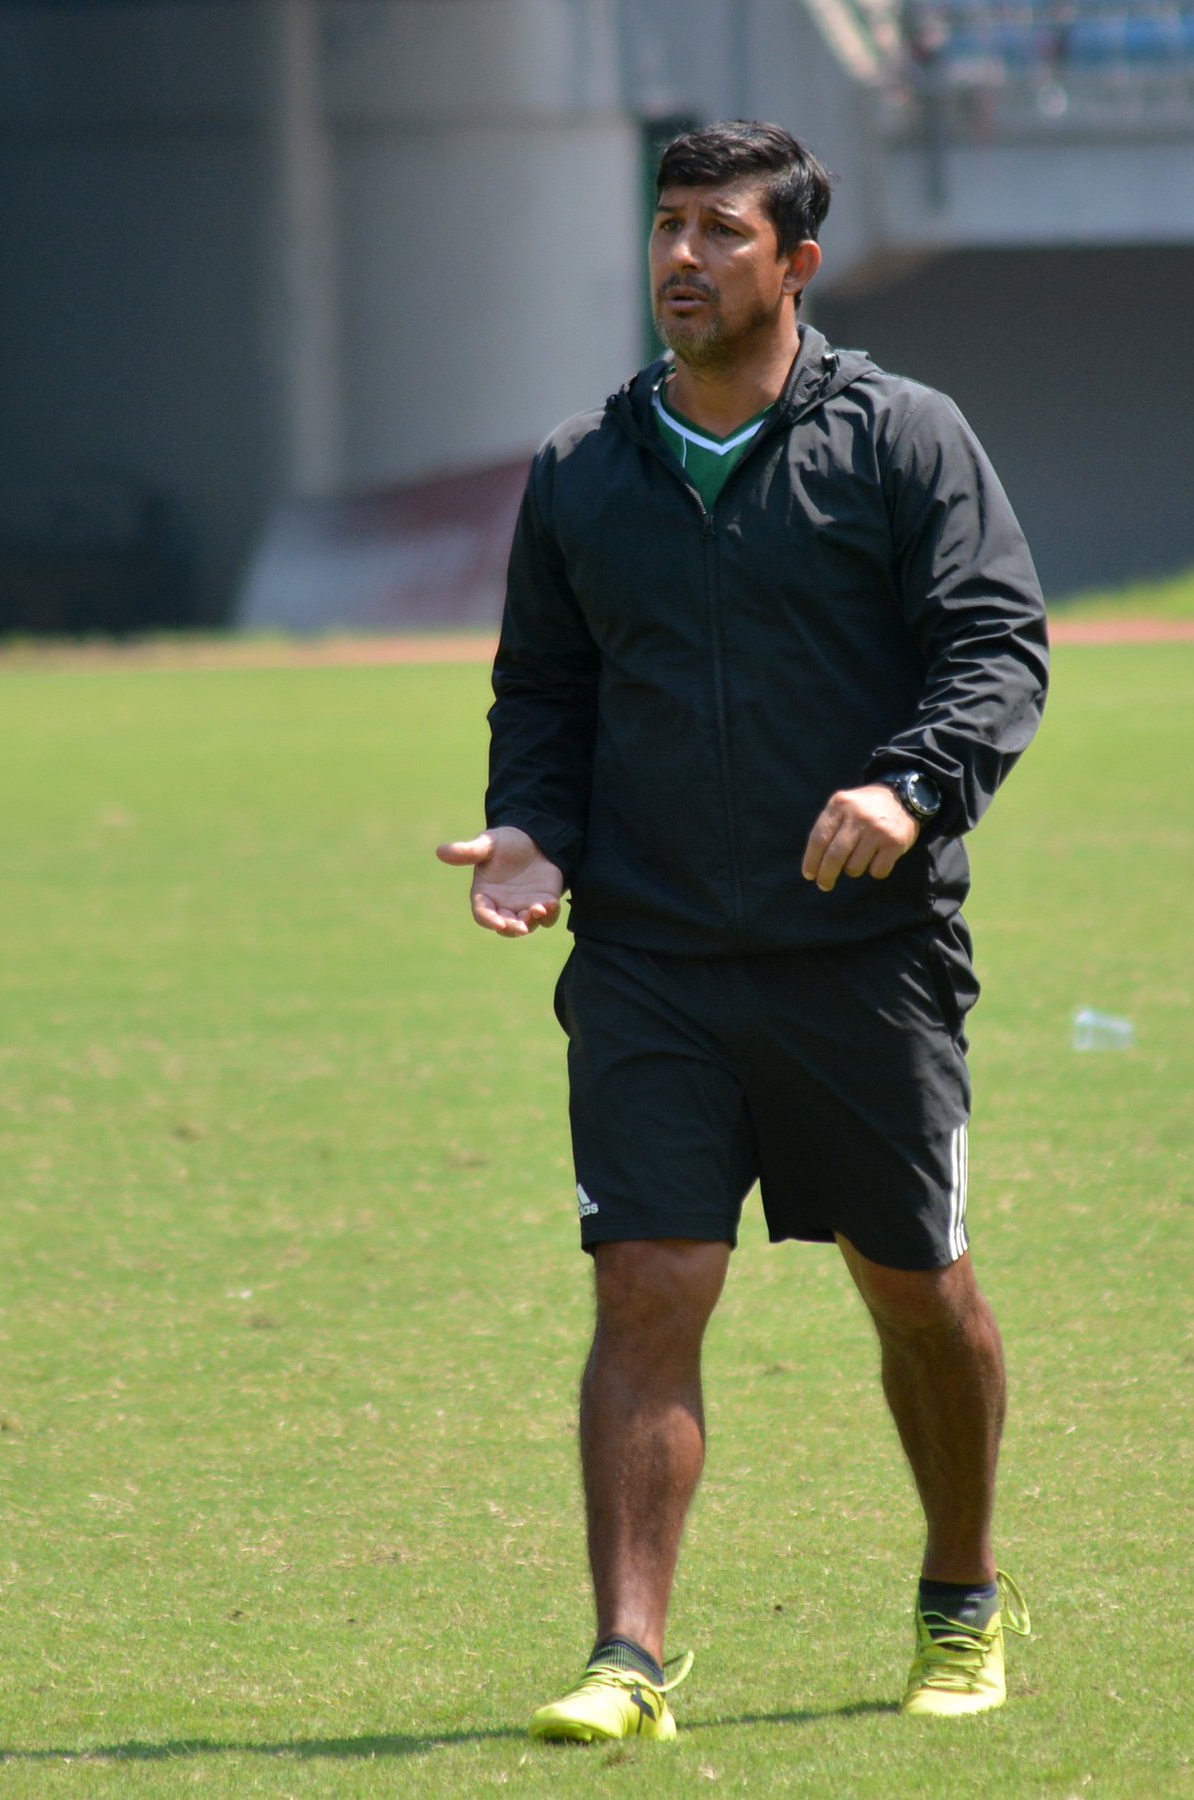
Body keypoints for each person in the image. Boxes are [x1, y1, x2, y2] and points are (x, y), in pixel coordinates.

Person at [435, 120, 1050, 1743]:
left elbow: (997, 652)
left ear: (797, 263)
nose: (682, 258)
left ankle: (963, 1595)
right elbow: (547, 692)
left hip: (866, 956)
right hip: (649, 960)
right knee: (646, 1281)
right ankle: (626, 1659)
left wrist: (913, 790)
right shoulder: (582, 472)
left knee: (914, 1288)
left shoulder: (907, 439)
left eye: (720, 230)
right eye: (666, 228)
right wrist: (531, 833)